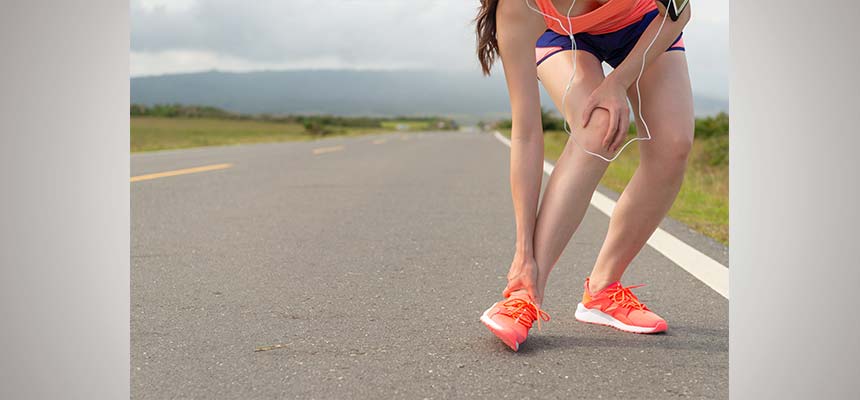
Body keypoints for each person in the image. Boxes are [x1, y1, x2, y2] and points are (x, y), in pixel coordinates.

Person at [476, 0, 693, 351]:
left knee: (673, 146)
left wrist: (618, 83)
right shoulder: (519, 8)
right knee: (599, 126)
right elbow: (526, 132)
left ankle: (603, 291)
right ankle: (524, 293)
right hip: (564, 35)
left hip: (645, 22)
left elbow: (680, 12)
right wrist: (522, 251)